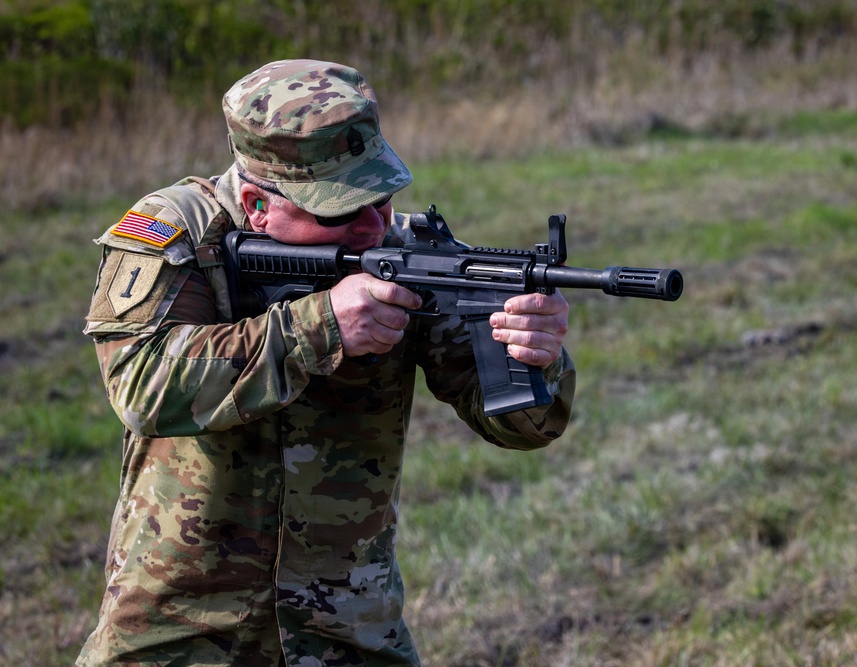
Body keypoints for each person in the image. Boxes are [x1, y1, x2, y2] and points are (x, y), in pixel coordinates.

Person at [77, 59, 575, 666]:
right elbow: (143, 386)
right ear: (258, 206)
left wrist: (532, 356)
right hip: (184, 630)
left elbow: (519, 428)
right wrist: (318, 327)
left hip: (346, 626)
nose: (372, 230)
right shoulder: (174, 238)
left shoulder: (408, 255)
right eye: (339, 213)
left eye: (382, 201)